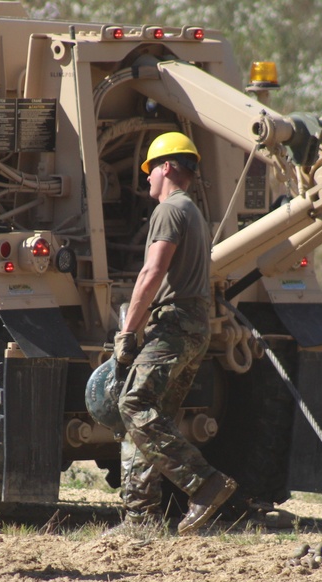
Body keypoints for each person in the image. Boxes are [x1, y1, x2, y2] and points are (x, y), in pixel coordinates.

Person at [113, 132, 237, 536]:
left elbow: (152, 272)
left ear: (167, 167)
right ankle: (140, 519)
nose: (147, 179)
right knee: (151, 417)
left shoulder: (169, 211)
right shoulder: (193, 212)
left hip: (174, 324)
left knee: (133, 404)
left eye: (150, 170)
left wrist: (128, 333)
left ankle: (204, 483)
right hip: (194, 324)